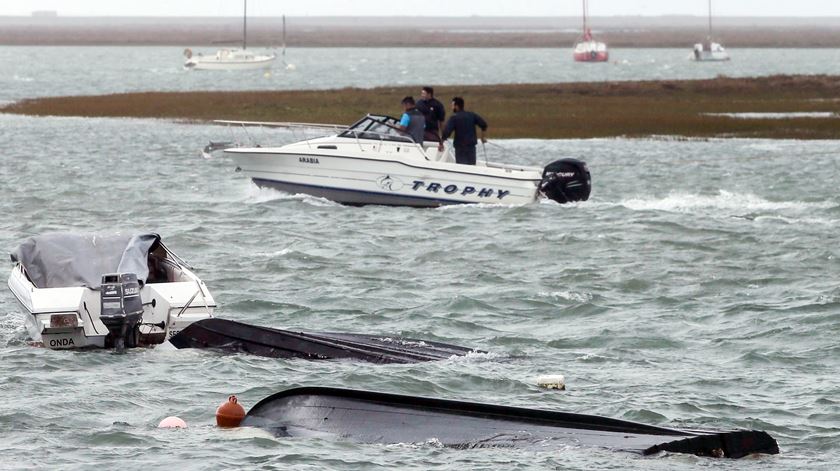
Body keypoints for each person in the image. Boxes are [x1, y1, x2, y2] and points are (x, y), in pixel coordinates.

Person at [441, 96, 488, 165]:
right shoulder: (472, 115)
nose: (452, 107)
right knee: (471, 167)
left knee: (461, 167)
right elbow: (484, 125)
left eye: (452, 106)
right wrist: (483, 137)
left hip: (460, 149)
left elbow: (447, 132)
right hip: (471, 147)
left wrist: (441, 142)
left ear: (456, 106)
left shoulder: (454, 118)